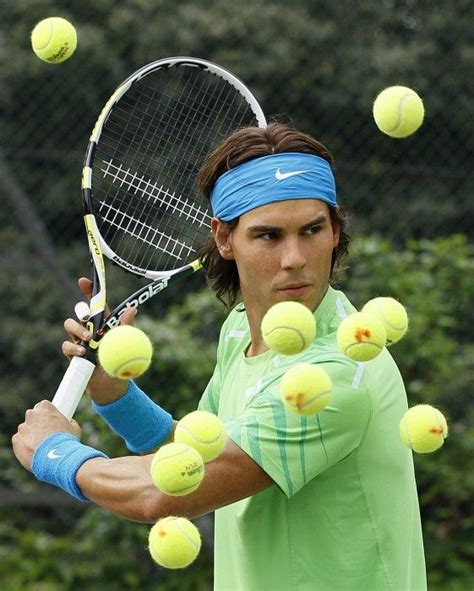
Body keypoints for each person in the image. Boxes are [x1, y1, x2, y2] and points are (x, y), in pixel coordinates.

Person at [12, 122, 427, 590]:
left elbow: (168, 487)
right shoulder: (239, 333)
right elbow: (194, 457)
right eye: (269, 236)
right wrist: (115, 394)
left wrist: (55, 453)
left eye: (312, 230)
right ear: (225, 238)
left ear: (335, 231)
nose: (295, 257)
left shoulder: (336, 374)